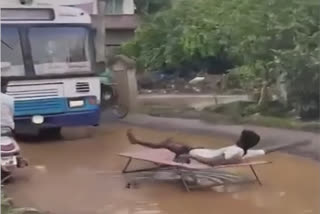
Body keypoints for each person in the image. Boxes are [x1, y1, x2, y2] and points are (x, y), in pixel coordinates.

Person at [127, 129, 262, 165]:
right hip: (202, 150)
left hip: (196, 154)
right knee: (172, 143)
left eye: (240, 137)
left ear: (243, 141)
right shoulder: (246, 151)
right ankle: (171, 146)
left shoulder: (236, 151)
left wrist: (193, 156)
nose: (237, 138)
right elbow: (266, 150)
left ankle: (136, 141)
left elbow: (215, 161)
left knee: (166, 144)